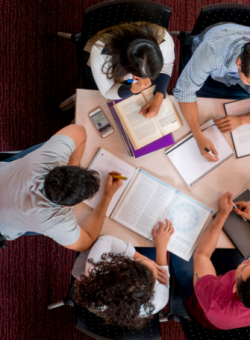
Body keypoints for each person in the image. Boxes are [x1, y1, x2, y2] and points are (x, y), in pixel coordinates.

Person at [171, 192, 250, 330]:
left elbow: (202, 255)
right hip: (231, 294)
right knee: (241, 234)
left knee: (178, 241)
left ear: (234, 287)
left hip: (200, 302)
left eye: (247, 266)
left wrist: (222, 214)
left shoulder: (213, 301)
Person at [173, 23, 250, 162]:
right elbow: (184, 92)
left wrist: (241, 120)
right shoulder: (212, 51)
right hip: (211, 73)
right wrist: (198, 136)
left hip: (238, 80)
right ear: (239, 63)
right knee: (191, 125)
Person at [0, 124, 123, 252]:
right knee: (52, 231)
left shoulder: (49, 158)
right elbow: (86, 243)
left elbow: (79, 130)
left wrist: (73, 170)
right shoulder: (53, 221)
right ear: (68, 206)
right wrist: (108, 196)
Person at [72, 220, 174, 328]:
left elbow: (106, 239)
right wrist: (161, 248)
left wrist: (142, 259)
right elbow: (164, 278)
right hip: (109, 307)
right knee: (149, 246)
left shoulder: (98, 269)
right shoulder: (159, 301)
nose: (151, 262)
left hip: (94, 288)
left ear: (121, 265)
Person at [86, 21, 175, 118]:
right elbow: (107, 91)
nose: (148, 79)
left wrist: (159, 96)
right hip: (106, 65)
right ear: (126, 68)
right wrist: (131, 90)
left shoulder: (164, 39)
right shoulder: (101, 56)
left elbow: (167, 63)